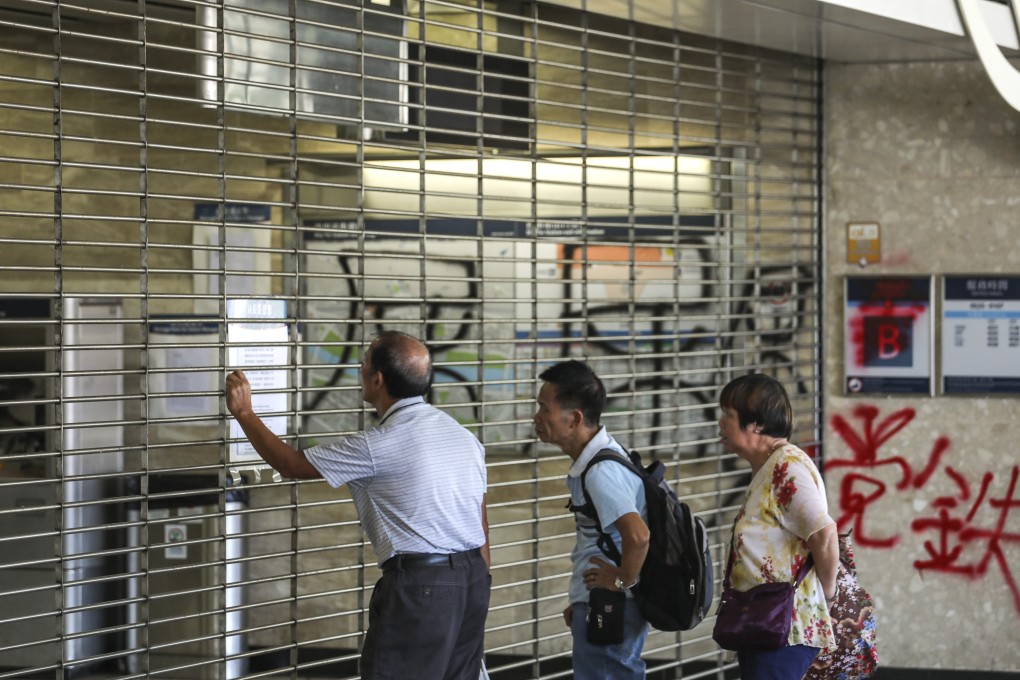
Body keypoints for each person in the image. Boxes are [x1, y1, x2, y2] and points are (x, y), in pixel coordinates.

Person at [225, 330, 490, 680]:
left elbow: (290, 464)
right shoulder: (462, 436)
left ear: (377, 379)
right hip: (472, 580)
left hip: (422, 587)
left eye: (363, 362)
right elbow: (480, 518)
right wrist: (480, 579)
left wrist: (244, 412)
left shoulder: (376, 445)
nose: (359, 369)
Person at [534, 360, 650, 680]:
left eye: (545, 408)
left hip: (613, 605)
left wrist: (619, 582)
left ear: (574, 419)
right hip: (602, 602)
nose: (537, 417)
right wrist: (583, 600)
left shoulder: (601, 472)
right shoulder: (599, 458)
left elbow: (638, 536)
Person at [717, 373, 838, 680]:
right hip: (764, 623)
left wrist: (827, 596)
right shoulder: (769, 466)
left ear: (756, 425)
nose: (720, 423)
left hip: (784, 627)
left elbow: (823, 533)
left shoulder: (787, 467)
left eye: (728, 415)